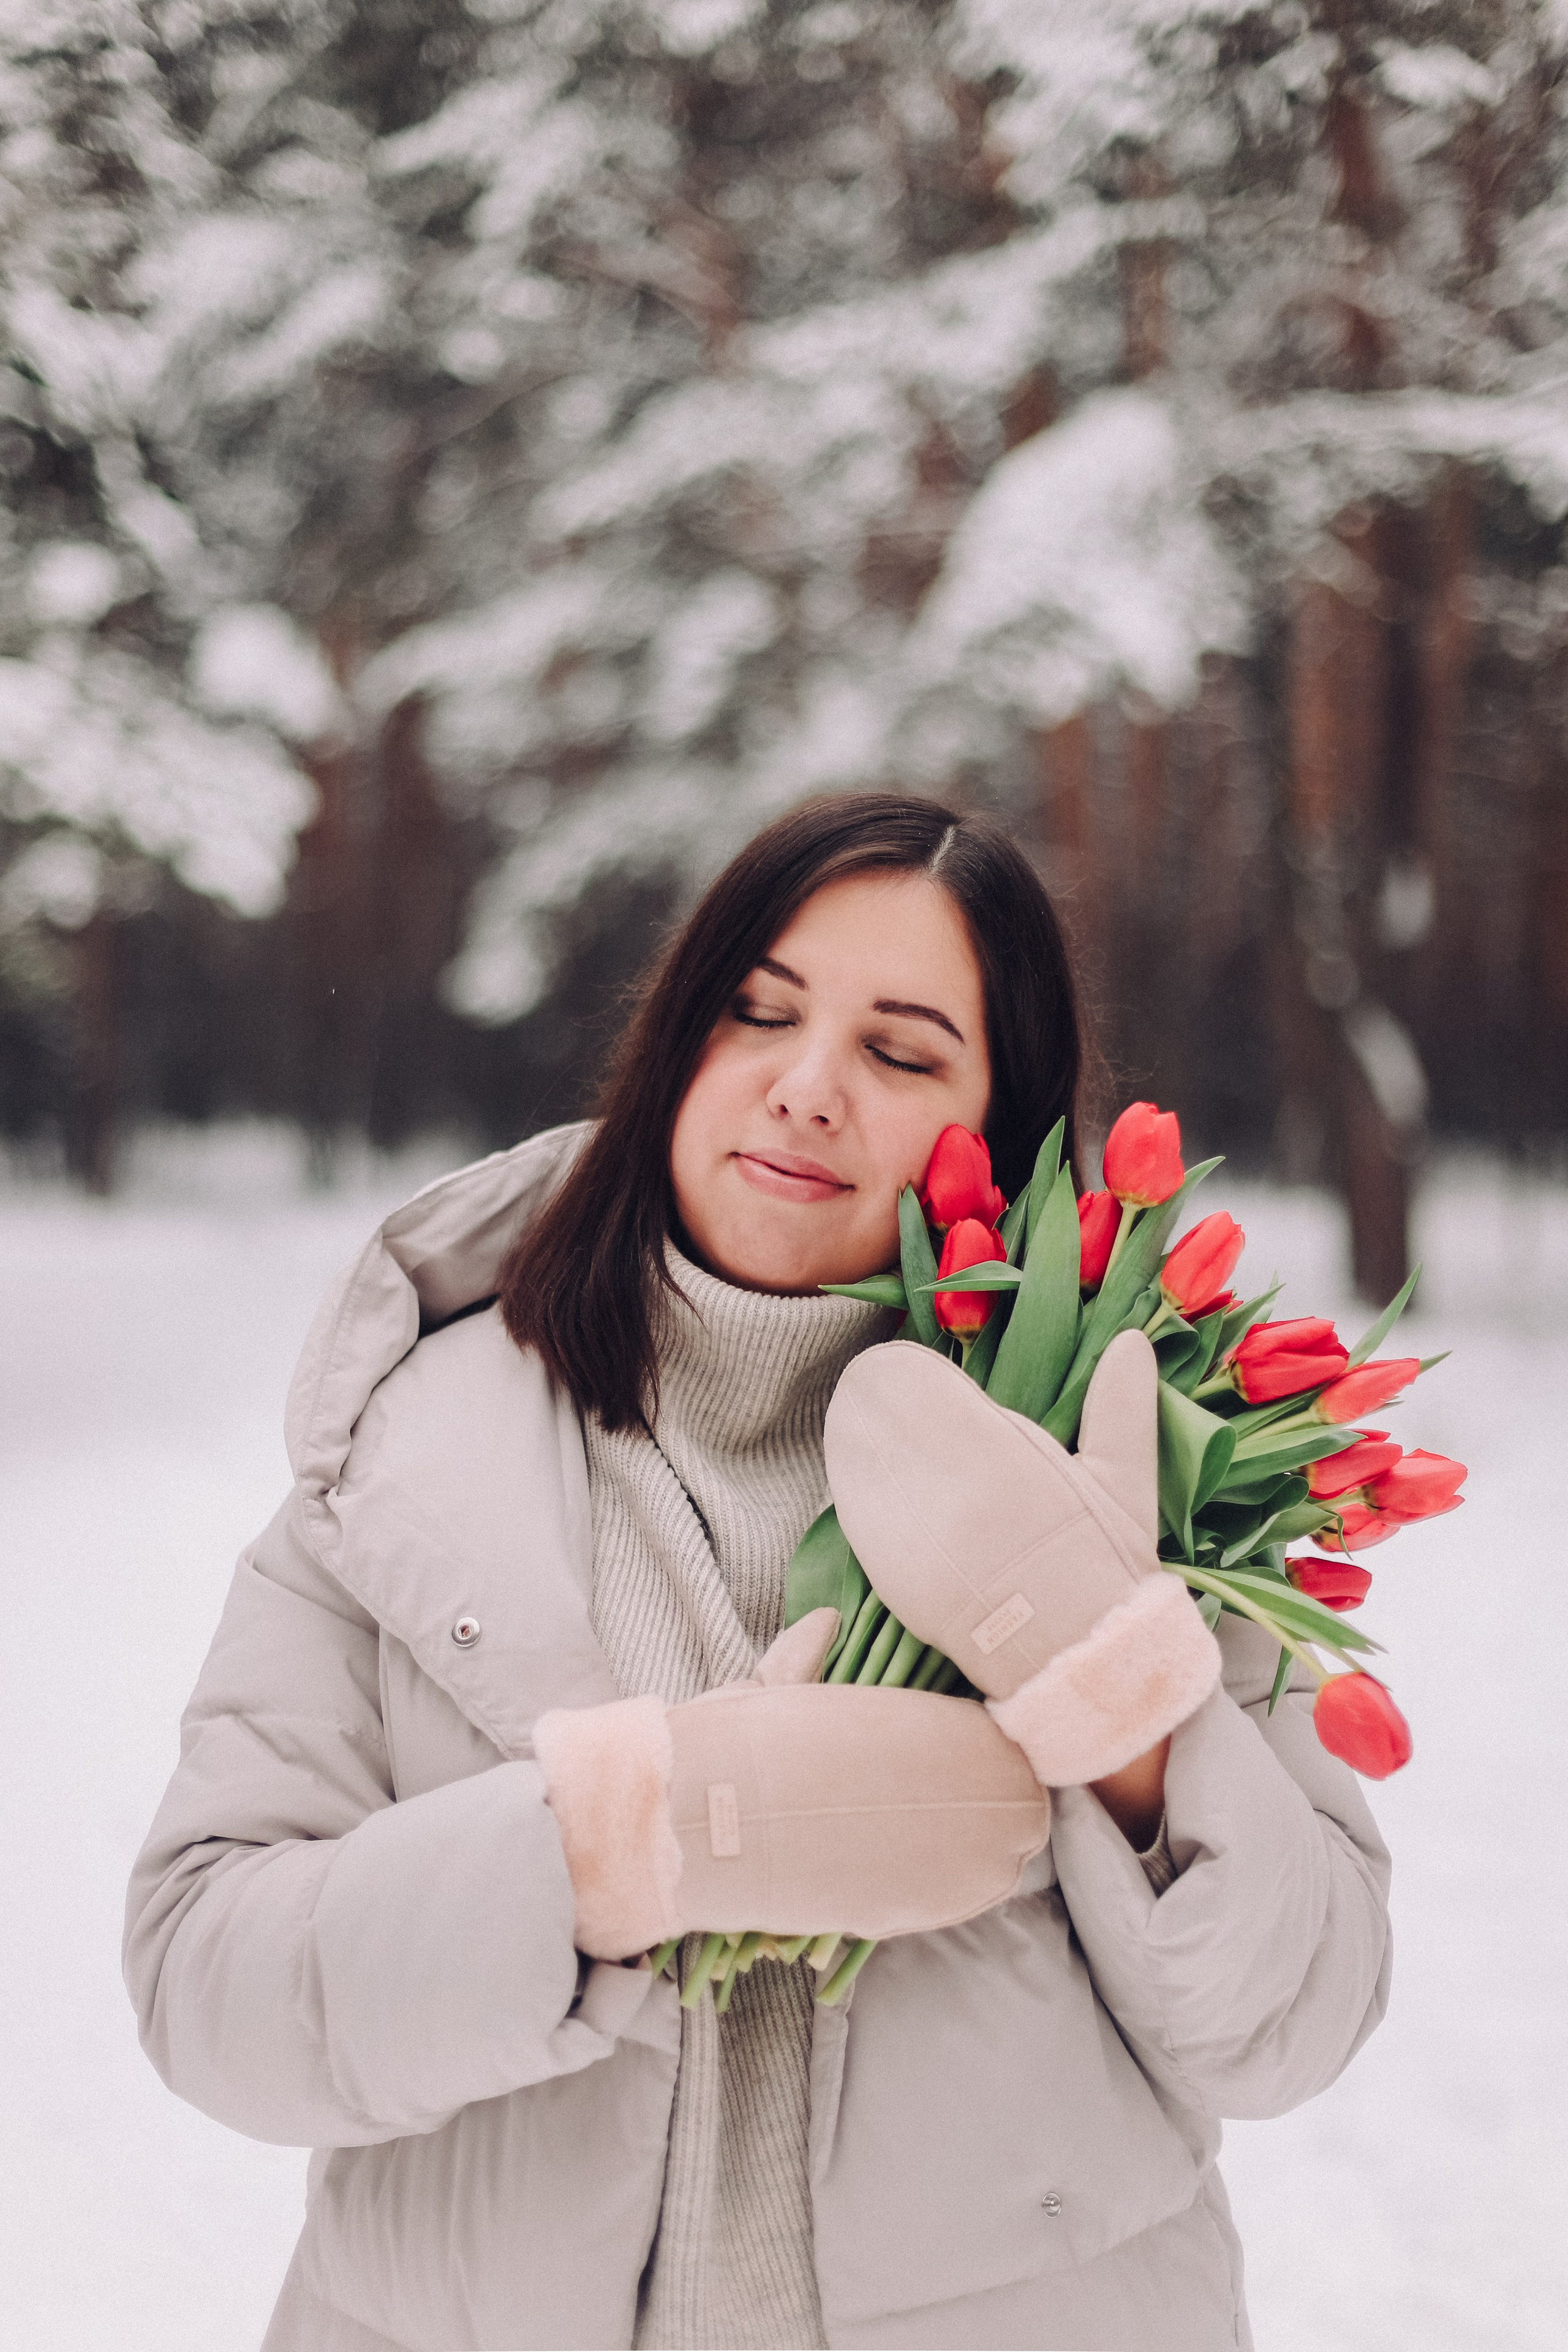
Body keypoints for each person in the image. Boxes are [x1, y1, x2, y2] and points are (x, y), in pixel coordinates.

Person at [124, 793, 1391, 2352]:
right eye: (758, 1013)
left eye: (901, 1050)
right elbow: (208, 1989)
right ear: (679, 1039)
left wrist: (1117, 1709)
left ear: (998, 1127)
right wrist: (613, 1842)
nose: (804, 1089)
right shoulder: (405, 1459)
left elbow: (1289, 2026)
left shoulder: (1111, 1455)